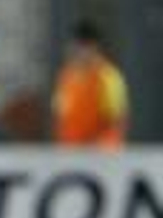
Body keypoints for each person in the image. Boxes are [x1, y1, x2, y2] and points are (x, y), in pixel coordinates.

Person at [52, 19, 129, 149]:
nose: (74, 52)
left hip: (99, 158)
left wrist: (101, 150)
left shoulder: (108, 76)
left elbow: (117, 120)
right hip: (69, 156)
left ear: (93, 47)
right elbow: (61, 117)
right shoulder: (66, 76)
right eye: (73, 47)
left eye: (80, 47)